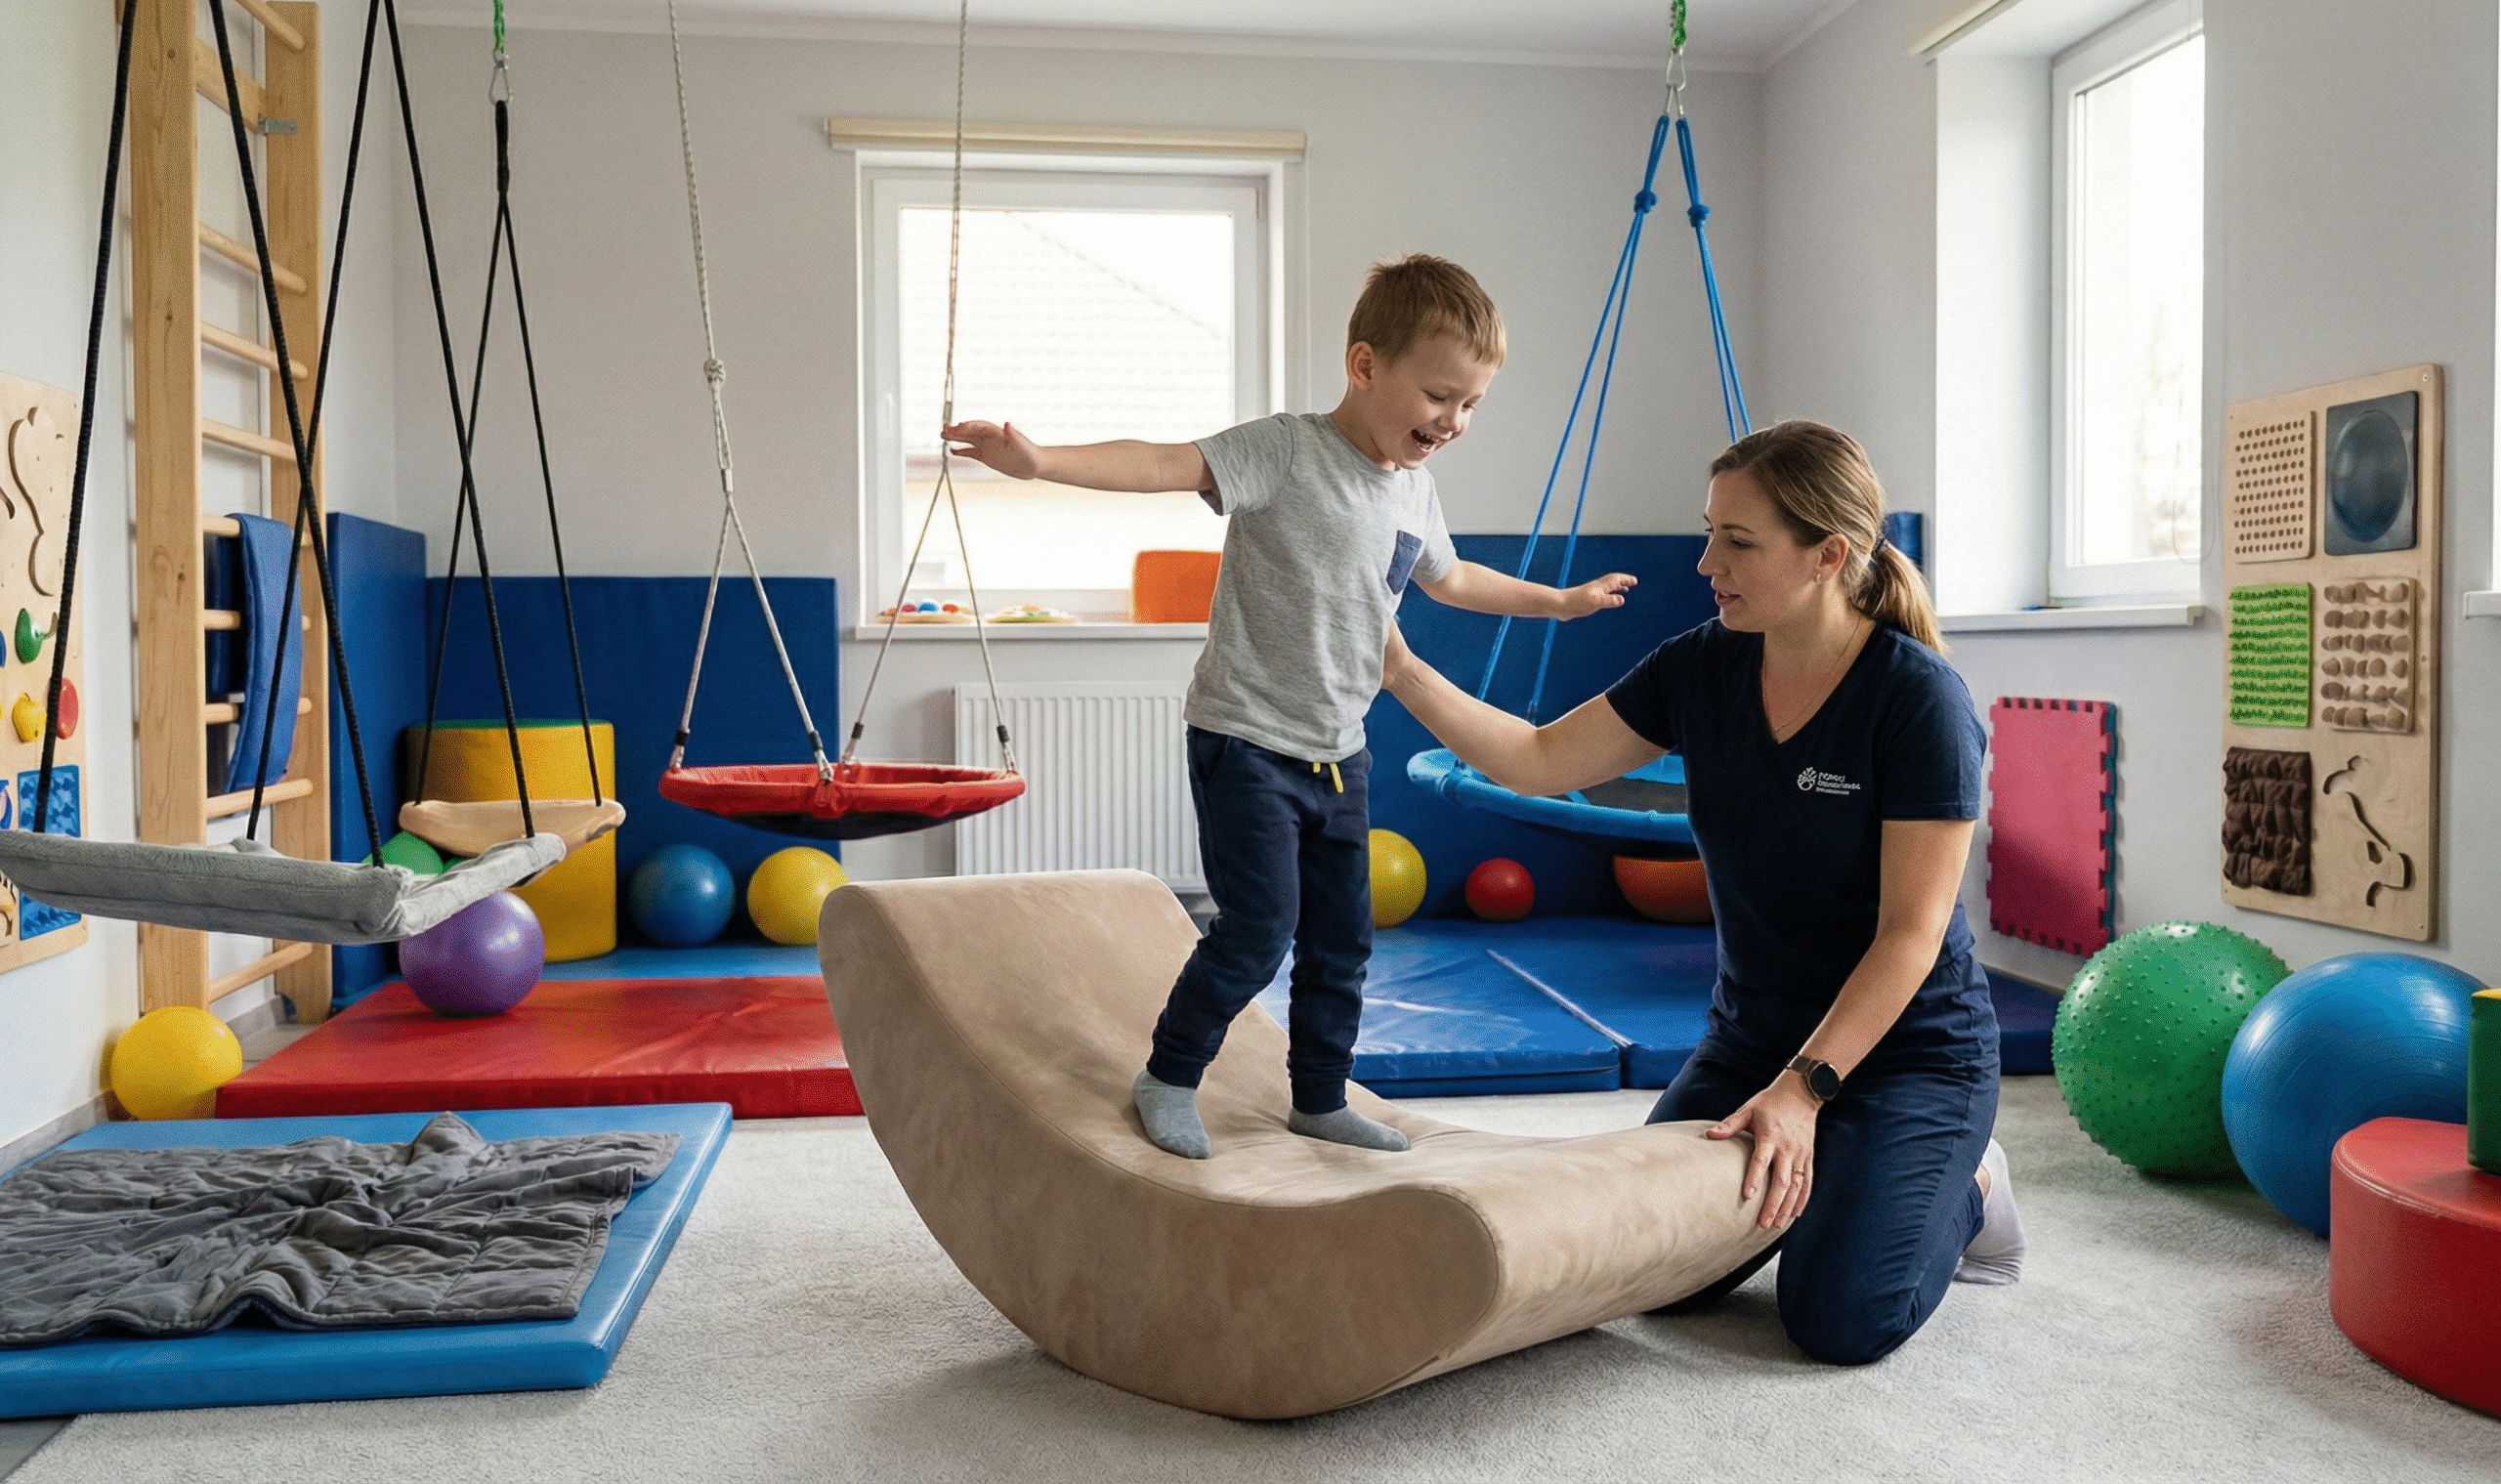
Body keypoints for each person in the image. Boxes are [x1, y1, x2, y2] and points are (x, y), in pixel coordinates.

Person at [942, 255, 1636, 1160]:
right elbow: (1161, 462)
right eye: (1438, 396)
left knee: (1344, 942)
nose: (1454, 422)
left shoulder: (1414, 490)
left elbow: (1454, 576)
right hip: (1246, 739)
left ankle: (1318, 1095)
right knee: (1260, 929)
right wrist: (1039, 462)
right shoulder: (1286, 449)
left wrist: (1562, 601)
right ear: (1363, 366)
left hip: (1338, 752)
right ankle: (1169, 1073)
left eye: (1471, 405)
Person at [1379, 419, 2025, 1365]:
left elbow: (1910, 934)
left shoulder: (1916, 702)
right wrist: (1397, 666)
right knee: (1653, 1280)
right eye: (1708, 530)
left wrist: (1803, 1093)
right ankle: (1845, 1166)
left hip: (1906, 1052)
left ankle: (1968, 1186)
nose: (1703, 561)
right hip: (1749, 1040)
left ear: (1826, 556)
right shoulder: (1700, 667)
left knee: (1838, 1316)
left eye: (1737, 541)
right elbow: (1538, 757)